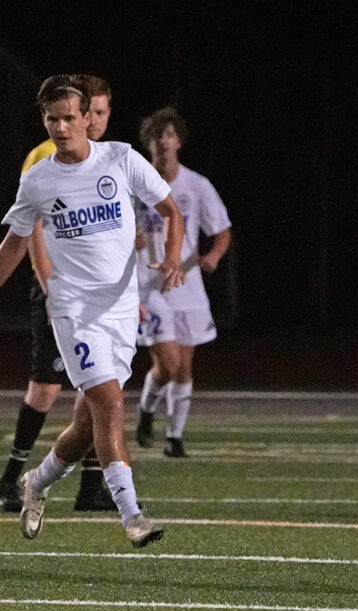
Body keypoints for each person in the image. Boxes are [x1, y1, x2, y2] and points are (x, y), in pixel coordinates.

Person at [0, 75, 185, 547]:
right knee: (112, 405)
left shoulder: (120, 159)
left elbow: (171, 212)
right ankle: (132, 515)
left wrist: (173, 258)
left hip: (120, 309)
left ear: (87, 117)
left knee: (84, 425)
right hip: (72, 310)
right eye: (51, 119)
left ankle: (35, 482)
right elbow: (13, 245)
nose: (60, 127)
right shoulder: (38, 179)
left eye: (69, 117)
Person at [0, 74, 116, 514]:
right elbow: (32, 232)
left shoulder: (107, 159)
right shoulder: (47, 158)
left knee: (97, 390)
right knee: (46, 388)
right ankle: (11, 479)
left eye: (101, 113)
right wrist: (51, 290)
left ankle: (91, 487)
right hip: (59, 292)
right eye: (93, 112)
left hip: (97, 297)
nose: (97, 121)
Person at [134, 107, 232, 458]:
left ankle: (174, 437)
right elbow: (117, 231)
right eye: (157, 136)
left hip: (187, 286)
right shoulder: (136, 184)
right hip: (150, 286)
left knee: (185, 367)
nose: (163, 141)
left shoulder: (196, 185)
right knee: (169, 364)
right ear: (149, 143)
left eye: (169, 135)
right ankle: (146, 410)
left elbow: (221, 231)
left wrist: (213, 257)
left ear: (179, 142)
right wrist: (132, 239)